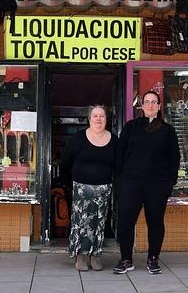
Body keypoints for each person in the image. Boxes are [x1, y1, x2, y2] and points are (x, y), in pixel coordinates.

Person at [113, 90, 180, 275]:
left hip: (157, 185)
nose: (150, 105)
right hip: (130, 183)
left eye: (154, 102)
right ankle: (126, 259)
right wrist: (119, 180)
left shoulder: (168, 130)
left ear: (159, 106)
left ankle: (153, 259)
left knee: (155, 222)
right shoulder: (131, 126)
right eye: (147, 102)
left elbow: (175, 158)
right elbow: (119, 153)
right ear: (141, 106)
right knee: (125, 221)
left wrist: (169, 183)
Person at [61, 105, 117, 271]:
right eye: (95, 116)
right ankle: (80, 255)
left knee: (99, 222)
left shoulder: (114, 140)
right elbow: (66, 159)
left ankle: (95, 255)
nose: (99, 119)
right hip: (82, 188)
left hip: (104, 189)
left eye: (102, 116)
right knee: (82, 222)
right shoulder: (78, 138)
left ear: (106, 119)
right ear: (89, 119)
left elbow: (118, 163)